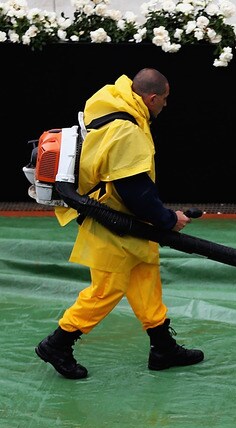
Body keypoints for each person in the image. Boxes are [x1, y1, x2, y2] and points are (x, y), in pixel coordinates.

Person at [35, 68, 203, 380]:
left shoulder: (112, 100)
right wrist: (168, 220)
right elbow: (134, 190)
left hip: (123, 220)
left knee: (144, 277)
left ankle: (163, 347)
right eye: (164, 100)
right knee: (107, 289)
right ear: (151, 98)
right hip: (113, 221)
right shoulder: (127, 131)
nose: (165, 105)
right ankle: (57, 344)